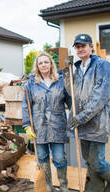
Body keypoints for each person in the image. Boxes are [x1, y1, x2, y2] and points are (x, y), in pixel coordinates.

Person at [67, 33, 110, 192]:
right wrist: (66, 71)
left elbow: (100, 98)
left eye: (83, 46)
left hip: (97, 123)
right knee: (88, 161)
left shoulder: (103, 66)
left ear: (91, 47)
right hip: (82, 124)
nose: (80, 49)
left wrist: (81, 117)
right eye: (77, 46)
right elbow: (71, 92)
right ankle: (96, 189)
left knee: (97, 161)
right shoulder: (77, 69)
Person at [22, 52, 71, 192]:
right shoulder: (31, 84)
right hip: (39, 127)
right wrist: (27, 126)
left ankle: (63, 186)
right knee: (42, 158)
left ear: (51, 64)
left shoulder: (60, 80)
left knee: (60, 157)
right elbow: (26, 106)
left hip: (58, 126)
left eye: (46, 62)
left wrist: (76, 116)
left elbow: (70, 101)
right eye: (40, 63)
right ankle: (48, 186)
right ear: (37, 66)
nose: (43, 65)